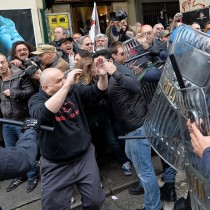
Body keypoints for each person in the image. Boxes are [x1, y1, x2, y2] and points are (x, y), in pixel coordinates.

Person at [28, 67, 108, 210]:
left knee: (95, 201)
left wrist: (103, 77)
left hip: (84, 157)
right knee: (54, 207)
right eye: (59, 81)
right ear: (46, 87)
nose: (65, 81)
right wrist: (66, 86)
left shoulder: (73, 90)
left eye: (64, 78)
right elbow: (42, 116)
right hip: (56, 164)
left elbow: (97, 92)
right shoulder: (36, 100)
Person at [93, 48, 164, 210]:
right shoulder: (109, 75)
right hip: (130, 127)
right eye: (96, 63)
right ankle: (150, 195)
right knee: (133, 157)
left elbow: (135, 87)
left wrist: (114, 71)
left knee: (145, 170)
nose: (99, 64)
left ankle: (154, 206)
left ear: (110, 60)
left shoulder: (121, 70)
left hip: (137, 126)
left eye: (101, 61)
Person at [0, 53, 38, 193]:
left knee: (26, 149)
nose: (1, 66)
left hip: (21, 120)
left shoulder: (19, 75)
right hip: (6, 121)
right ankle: (18, 176)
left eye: (3, 62)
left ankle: (32, 176)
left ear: (7, 62)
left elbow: (31, 92)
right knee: (10, 150)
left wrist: (14, 92)